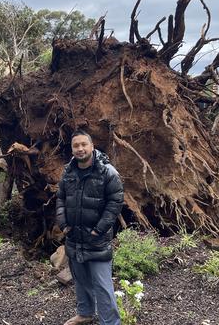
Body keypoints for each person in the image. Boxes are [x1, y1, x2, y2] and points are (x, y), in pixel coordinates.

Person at [56, 130, 124, 325]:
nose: (80, 149)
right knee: (81, 280)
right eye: (76, 145)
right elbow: (60, 197)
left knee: (102, 285)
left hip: (97, 239)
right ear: (72, 149)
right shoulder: (68, 172)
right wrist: (64, 224)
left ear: (92, 146)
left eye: (84, 144)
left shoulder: (107, 172)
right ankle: (85, 313)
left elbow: (116, 202)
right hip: (74, 237)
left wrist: (98, 229)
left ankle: (110, 322)